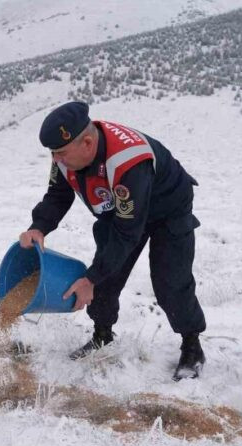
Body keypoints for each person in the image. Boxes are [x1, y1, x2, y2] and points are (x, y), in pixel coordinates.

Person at [19, 101, 206, 380]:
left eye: (61, 153)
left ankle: (192, 345)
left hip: (168, 209)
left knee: (170, 281)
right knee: (106, 277)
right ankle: (102, 335)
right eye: (54, 153)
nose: (57, 159)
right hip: (120, 210)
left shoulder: (127, 162)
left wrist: (90, 279)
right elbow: (58, 195)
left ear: (87, 142)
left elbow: (127, 233)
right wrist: (39, 227)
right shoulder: (64, 155)